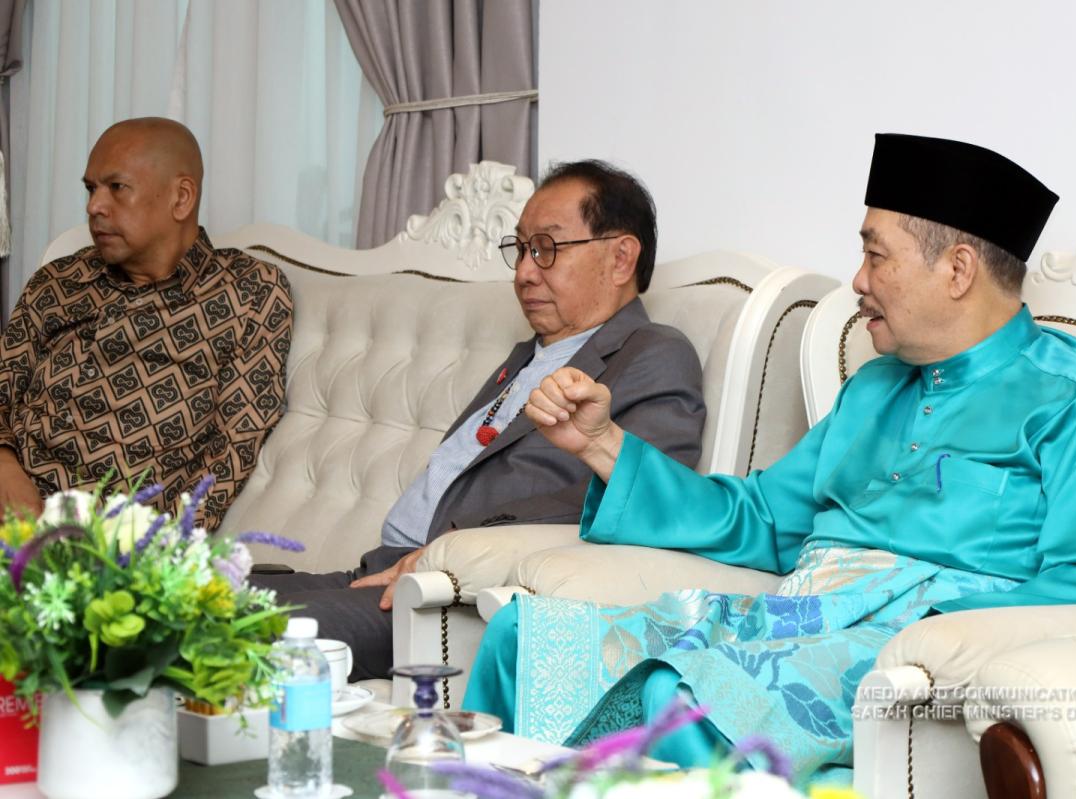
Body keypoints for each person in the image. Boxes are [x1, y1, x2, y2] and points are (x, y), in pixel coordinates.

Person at [463, 134, 1076, 783]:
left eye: (876, 256)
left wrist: (931, 626)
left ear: (956, 270)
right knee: (522, 637)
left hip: (906, 655)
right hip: (793, 616)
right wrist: (603, 444)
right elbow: (763, 519)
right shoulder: (873, 388)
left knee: (674, 697)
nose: (857, 280)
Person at [254, 160, 706, 680]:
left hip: (448, 601)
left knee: (234, 631)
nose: (523, 273)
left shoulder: (653, 355)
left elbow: (646, 501)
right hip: (383, 570)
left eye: (547, 248)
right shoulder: (528, 357)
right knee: (196, 600)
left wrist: (451, 554)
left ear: (621, 258)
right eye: (521, 249)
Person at [0, 117, 292, 530]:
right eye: (91, 188)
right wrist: (4, 464)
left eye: (116, 187)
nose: (94, 206)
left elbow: (234, 446)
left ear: (181, 197)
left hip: (99, 539)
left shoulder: (247, 292)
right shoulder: (60, 280)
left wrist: (158, 549)